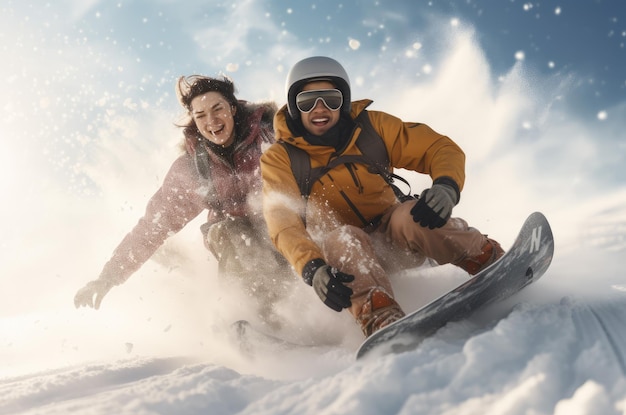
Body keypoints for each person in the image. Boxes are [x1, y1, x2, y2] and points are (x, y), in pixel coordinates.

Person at [260, 56, 504, 338]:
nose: (320, 109)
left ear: (344, 100)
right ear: (293, 107)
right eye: (307, 102)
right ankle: (379, 314)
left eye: (331, 99)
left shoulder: (371, 128)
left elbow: (437, 148)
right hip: (345, 258)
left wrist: (446, 186)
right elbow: (282, 222)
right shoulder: (281, 159)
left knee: (412, 215)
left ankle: (484, 256)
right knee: (344, 238)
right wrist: (312, 268)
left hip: (394, 236)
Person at [75, 75, 292, 320]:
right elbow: (151, 227)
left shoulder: (272, 136)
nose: (211, 121)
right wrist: (107, 278)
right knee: (230, 232)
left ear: (232, 108)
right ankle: (247, 316)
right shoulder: (193, 169)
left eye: (217, 109)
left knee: (286, 221)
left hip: (286, 233)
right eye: (200, 116)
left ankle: (307, 310)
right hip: (237, 246)